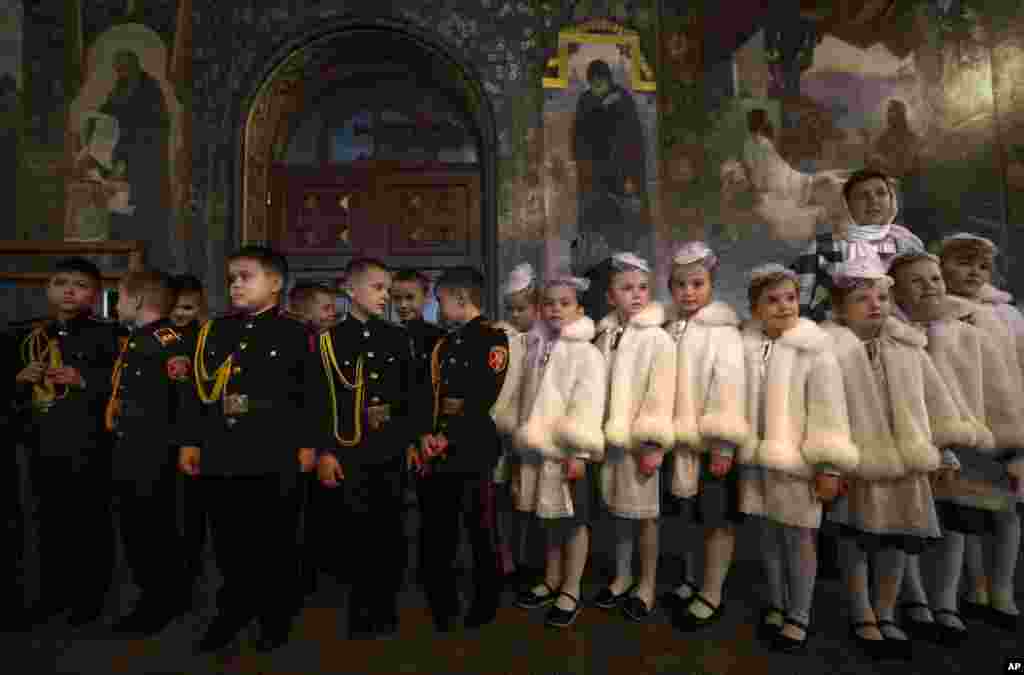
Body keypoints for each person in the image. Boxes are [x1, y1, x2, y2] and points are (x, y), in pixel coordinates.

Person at [821, 255, 971, 659]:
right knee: (856, 538)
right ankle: (861, 610)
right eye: (862, 299)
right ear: (838, 308)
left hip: (906, 464)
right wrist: (831, 463)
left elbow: (935, 402)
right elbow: (823, 412)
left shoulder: (907, 347)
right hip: (860, 463)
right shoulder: (829, 351)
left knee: (898, 539)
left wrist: (944, 451)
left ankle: (886, 610)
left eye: (883, 298)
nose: (875, 305)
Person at [178, 246, 325, 653]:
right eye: (231, 278)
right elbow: (197, 392)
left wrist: (309, 444)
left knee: (274, 541)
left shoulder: (298, 332)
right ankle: (233, 610)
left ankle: (275, 616)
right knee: (228, 541)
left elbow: (313, 394)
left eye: (246, 276)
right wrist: (191, 440)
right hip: (222, 451)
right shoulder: (215, 331)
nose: (236, 285)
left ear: (275, 283)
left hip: (274, 452)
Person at [889, 250, 1024, 646]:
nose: (930, 286)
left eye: (934, 279)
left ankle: (946, 601)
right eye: (918, 281)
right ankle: (914, 598)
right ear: (896, 290)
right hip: (910, 442)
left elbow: (998, 391)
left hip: (962, 442)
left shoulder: (965, 332)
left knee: (957, 521)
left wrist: (1011, 443)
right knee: (911, 523)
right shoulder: (893, 333)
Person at [738, 264, 858, 653]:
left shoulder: (814, 349)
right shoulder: (748, 347)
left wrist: (828, 464)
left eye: (790, 298)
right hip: (758, 457)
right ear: (755, 308)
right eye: (771, 300)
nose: (784, 306)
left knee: (800, 537)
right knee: (768, 534)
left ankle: (800, 613)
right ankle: (776, 602)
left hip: (798, 462)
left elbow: (829, 410)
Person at [12, 257, 120, 627]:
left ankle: (89, 599)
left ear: (94, 294)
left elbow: (132, 385)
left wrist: (85, 379)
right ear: (48, 289)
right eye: (61, 282)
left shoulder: (109, 334)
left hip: (88, 442)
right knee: (46, 523)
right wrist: (20, 379)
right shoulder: (23, 334)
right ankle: (50, 595)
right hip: (39, 440)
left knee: (89, 523)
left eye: (80, 284)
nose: (69, 290)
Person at [315, 258, 414, 639]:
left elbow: (409, 395)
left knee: (390, 532)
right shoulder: (329, 340)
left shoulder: (395, 337)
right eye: (376, 287)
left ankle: (386, 608)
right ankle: (360, 611)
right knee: (354, 534)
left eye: (386, 289)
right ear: (350, 289)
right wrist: (325, 450)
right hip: (348, 449)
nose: (384, 296)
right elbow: (318, 401)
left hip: (388, 448)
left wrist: (408, 441)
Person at [412, 267, 512, 632]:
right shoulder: (443, 344)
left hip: (473, 449)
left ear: (460, 299)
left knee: (481, 532)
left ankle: (485, 605)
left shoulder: (493, 339)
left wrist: (448, 436)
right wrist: (426, 433)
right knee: (441, 533)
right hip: (438, 451)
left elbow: (486, 396)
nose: (437, 309)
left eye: (439, 301)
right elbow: (430, 395)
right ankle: (444, 605)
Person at [659, 243, 749, 632]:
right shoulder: (667, 326)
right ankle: (692, 579)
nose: (688, 292)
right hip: (678, 438)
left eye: (697, 283)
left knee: (716, 520)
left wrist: (723, 442)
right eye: (680, 285)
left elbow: (727, 386)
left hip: (711, 440)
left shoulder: (721, 330)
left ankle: (712, 591)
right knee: (689, 516)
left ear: (712, 284)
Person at [511, 269, 607, 628]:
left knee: (574, 520)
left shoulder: (585, 353)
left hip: (568, 453)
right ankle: (551, 578)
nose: (555, 310)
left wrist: (578, 452)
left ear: (579, 310)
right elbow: (528, 398)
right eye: (549, 304)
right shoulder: (537, 347)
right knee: (548, 518)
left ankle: (571, 587)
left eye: (564, 304)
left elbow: (588, 403)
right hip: (540, 450)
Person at [938, 233, 1024, 632]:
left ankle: (1002, 588)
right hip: (964, 417)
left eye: (982, 266)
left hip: (1008, 421)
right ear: (941, 266)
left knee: (1007, 509)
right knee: (967, 507)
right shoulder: (939, 313)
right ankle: (975, 587)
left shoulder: (1007, 314)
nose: (973, 272)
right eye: (962, 262)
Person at [107, 270, 199, 636]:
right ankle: (161, 596)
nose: (117, 305)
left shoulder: (165, 339)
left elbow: (185, 399)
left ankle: (158, 603)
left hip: (155, 452)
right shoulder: (139, 339)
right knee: (138, 528)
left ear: (138, 301)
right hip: (132, 447)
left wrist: (184, 445)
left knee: (151, 531)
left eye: (120, 297)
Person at [591, 252, 676, 623]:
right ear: (611, 297)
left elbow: (661, 392)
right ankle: (622, 575)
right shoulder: (604, 335)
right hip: (612, 439)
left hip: (641, 441)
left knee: (645, 516)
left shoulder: (656, 338)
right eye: (627, 289)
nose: (637, 295)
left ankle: (647, 582)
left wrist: (654, 443)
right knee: (618, 511)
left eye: (643, 288)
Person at [792, 168, 924, 322]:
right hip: (843, 334)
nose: (873, 200)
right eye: (862, 196)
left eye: (881, 193)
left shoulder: (908, 242)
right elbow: (798, 304)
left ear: (891, 199)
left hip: (906, 334)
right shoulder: (825, 246)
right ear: (846, 204)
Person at [496, 263, 542, 580]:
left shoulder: (545, 340)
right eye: (510, 309)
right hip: (504, 432)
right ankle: (506, 556)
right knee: (505, 498)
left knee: (531, 498)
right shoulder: (503, 339)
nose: (515, 315)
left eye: (521, 309)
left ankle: (530, 558)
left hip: (534, 432)